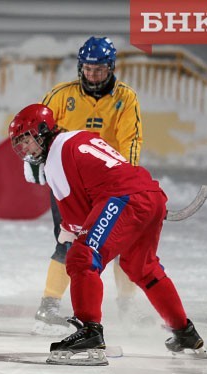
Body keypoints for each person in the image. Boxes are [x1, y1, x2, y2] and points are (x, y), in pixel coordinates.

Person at [9, 103, 207, 365]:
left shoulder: (55, 155)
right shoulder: (78, 138)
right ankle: (184, 333)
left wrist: (69, 232)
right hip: (151, 196)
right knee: (141, 267)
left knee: (82, 256)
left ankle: (89, 333)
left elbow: (78, 213)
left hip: (124, 198)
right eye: (19, 143)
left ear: (43, 131)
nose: (24, 149)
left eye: (27, 140)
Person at [26, 36, 145, 335]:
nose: (93, 75)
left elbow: (131, 139)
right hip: (68, 180)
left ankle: (127, 308)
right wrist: (36, 162)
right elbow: (38, 129)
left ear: (111, 68)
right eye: (89, 69)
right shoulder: (60, 95)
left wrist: (128, 178)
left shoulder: (125, 98)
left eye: (100, 70)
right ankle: (49, 305)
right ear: (81, 67)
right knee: (69, 241)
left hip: (108, 182)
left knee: (123, 243)